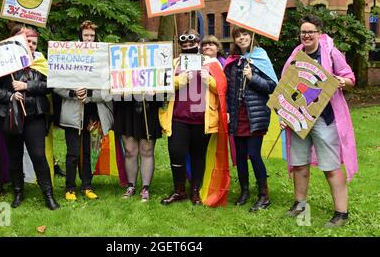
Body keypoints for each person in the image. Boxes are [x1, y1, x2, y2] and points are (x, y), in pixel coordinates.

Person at [281, 14, 357, 227]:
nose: (306, 35)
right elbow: (286, 86)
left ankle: (341, 213)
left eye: (310, 32)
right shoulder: (296, 54)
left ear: (319, 34)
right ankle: (299, 204)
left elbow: (350, 77)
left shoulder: (331, 53)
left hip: (325, 118)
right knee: (299, 164)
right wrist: (285, 114)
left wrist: (342, 80)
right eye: (303, 32)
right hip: (299, 118)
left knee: (330, 166)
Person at [0, 27, 59, 210]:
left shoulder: (41, 63)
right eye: (28, 41)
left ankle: (48, 195)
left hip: (34, 115)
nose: (32, 45)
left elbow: (50, 85)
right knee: (14, 157)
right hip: (11, 116)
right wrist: (10, 96)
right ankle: (18, 193)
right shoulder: (3, 63)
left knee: (38, 155)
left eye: (35, 43)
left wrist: (26, 85)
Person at [159, 29, 229, 206]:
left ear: (198, 44)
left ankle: (195, 191)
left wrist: (210, 80)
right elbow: (162, 84)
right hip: (178, 117)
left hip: (202, 118)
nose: (188, 46)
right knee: (176, 153)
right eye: (185, 44)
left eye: (192, 44)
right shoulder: (174, 63)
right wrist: (180, 80)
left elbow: (222, 87)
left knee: (198, 156)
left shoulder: (210, 63)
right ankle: (179, 190)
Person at [54, 20, 113, 201]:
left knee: (88, 153)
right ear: (81, 35)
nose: (89, 39)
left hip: (92, 115)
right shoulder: (68, 55)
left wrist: (89, 95)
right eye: (86, 35)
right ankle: (70, 187)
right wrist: (73, 93)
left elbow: (107, 91)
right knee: (73, 152)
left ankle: (87, 185)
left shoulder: (103, 59)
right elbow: (56, 83)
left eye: (92, 36)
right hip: (73, 114)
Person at [223, 27, 277, 211]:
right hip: (238, 116)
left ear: (251, 36)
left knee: (253, 154)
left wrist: (252, 78)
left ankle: (264, 195)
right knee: (240, 156)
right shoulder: (233, 62)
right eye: (238, 36)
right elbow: (229, 90)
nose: (242, 38)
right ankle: (244, 191)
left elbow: (271, 86)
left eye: (245, 34)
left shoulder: (260, 58)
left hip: (256, 115)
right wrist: (228, 111)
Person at [113, 38, 162, 202]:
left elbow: (166, 95)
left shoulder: (158, 68)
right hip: (127, 111)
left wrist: (156, 92)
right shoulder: (122, 68)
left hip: (148, 111)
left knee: (147, 150)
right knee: (130, 151)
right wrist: (119, 91)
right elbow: (113, 91)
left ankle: (145, 188)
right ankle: (131, 185)